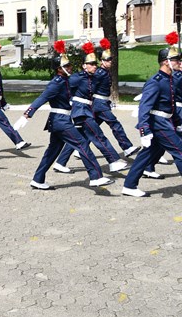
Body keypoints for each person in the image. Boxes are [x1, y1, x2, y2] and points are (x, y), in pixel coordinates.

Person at [17, 41, 113, 190]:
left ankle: (38, 179)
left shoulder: (66, 81)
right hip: (60, 121)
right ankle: (96, 177)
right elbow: (42, 98)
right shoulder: (56, 83)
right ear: (59, 69)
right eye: (66, 66)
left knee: (52, 152)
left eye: (69, 65)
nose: (70, 68)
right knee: (82, 144)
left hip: (60, 120)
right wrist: (27, 114)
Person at [51, 42, 128, 174]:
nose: (94, 66)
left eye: (95, 64)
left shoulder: (91, 77)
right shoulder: (77, 78)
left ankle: (60, 162)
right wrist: (68, 103)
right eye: (91, 64)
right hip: (81, 111)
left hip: (87, 110)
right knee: (98, 136)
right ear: (84, 66)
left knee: (80, 137)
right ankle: (113, 161)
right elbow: (63, 88)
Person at [121, 32, 182, 197]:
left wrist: (177, 121)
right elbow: (144, 107)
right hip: (159, 123)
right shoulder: (155, 81)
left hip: (165, 121)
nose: (179, 62)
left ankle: (129, 185)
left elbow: (170, 104)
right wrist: (144, 130)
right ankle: (130, 185)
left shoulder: (169, 79)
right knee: (179, 150)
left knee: (146, 155)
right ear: (166, 62)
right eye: (176, 59)